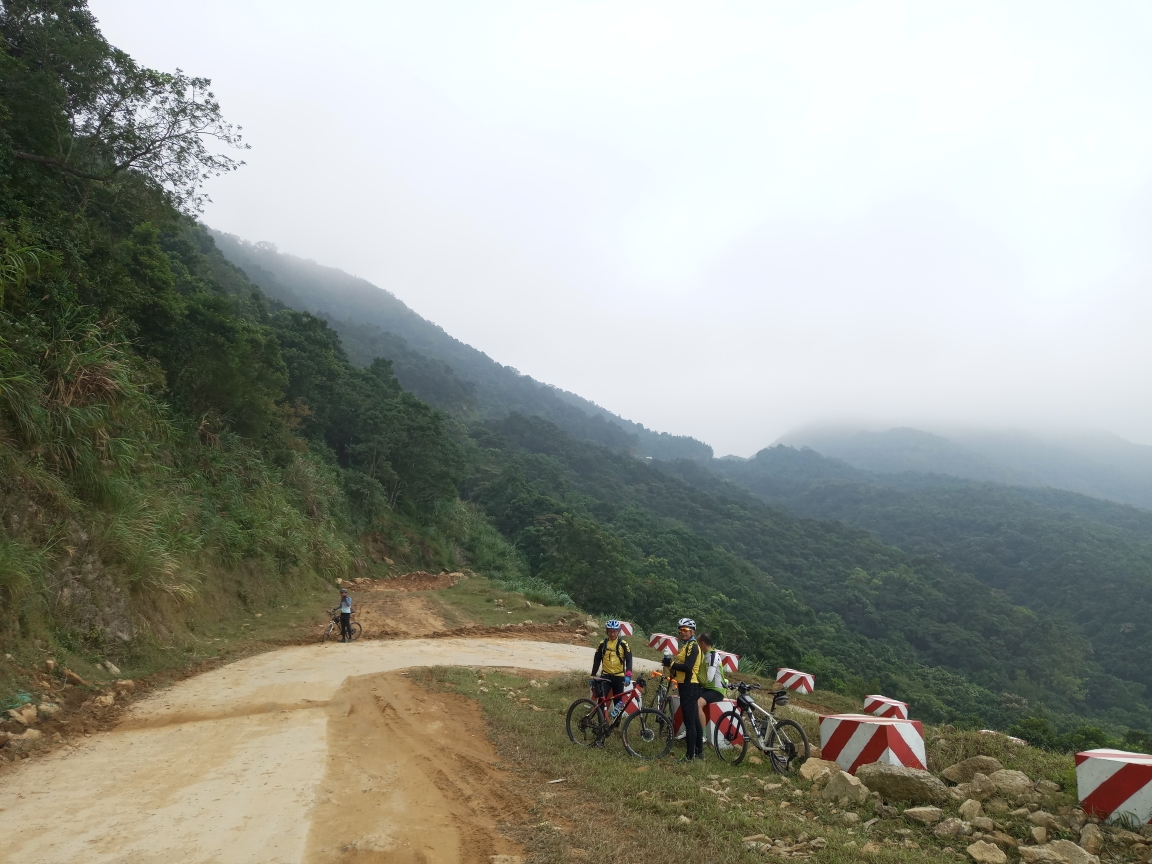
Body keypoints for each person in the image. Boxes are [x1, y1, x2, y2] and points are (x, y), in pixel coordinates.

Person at [665, 617, 703, 761]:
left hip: (690, 686)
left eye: (686, 630)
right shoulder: (686, 646)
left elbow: (688, 667)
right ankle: (699, 753)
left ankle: (689, 756)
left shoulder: (693, 646)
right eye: (680, 630)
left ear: (693, 631)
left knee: (690, 723)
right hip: (686, 686)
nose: (683, 632)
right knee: (695, 721)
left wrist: (672, 664)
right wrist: (671, 666)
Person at [590, 620, 632, 717]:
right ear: (607, 631)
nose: (612, 634)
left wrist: (628, 675)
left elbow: (629, 660)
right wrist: (592, 675)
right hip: (605, 676)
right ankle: (601, 724)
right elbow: (597, 660)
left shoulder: (623, 644)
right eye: (610, 631)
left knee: (618, 703)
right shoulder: (602, 644)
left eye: (614, 631)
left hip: (619, 677)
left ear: (618, 631)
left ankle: (615, 726)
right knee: (601, 700)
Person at [697, 633, 728, 738]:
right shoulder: (704, 655)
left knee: (698, 704)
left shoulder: (713, 656)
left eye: (698, 643)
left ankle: (703, 735)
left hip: (717, 690)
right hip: (706, 688)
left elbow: (709, 678)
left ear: (702, 643)